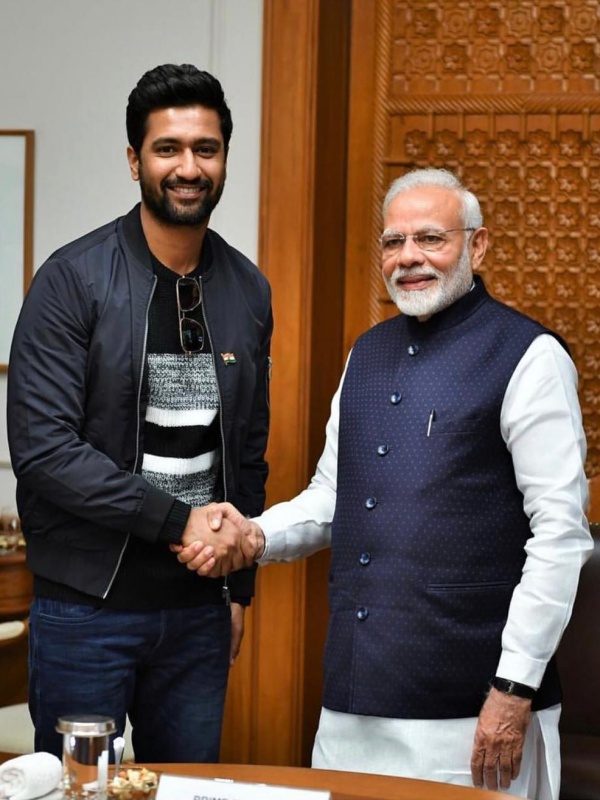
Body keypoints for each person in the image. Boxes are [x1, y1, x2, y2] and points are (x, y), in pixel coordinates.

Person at [176, 168, 592, 799]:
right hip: (352, 701)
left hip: (472, 707)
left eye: (431, 238)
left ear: (477, 247)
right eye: (394, 243)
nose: (409, 258)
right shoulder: (365, 353)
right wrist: (255, 534)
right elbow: (331, 497)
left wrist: (512, 690)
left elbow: (560, 537)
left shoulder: (530, 356)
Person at [6, 63, 273, 763]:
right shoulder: (71, 280)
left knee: (185, 787)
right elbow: (45, 452)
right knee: (79, 790)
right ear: (135, 161)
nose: (188, 167)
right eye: (168, 149)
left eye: (205, 149)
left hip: (198, 611)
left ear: (223, 159)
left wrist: (238, 587)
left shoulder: (248, 289)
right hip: (85, 608)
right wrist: (178, 520)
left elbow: (246, 453)